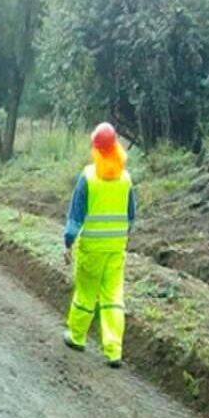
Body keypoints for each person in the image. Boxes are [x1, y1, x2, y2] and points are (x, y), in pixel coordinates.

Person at [62, 122, 137, 368]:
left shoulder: (88, 177)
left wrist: (68, 243)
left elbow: (75, 218)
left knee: (86, 294)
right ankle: (114, 350)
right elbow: (131, 216)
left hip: (91, 249)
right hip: (116, 249)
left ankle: (76, 336)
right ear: (116, 146)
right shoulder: (126, 179)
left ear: (96, 148)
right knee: (113, 296)